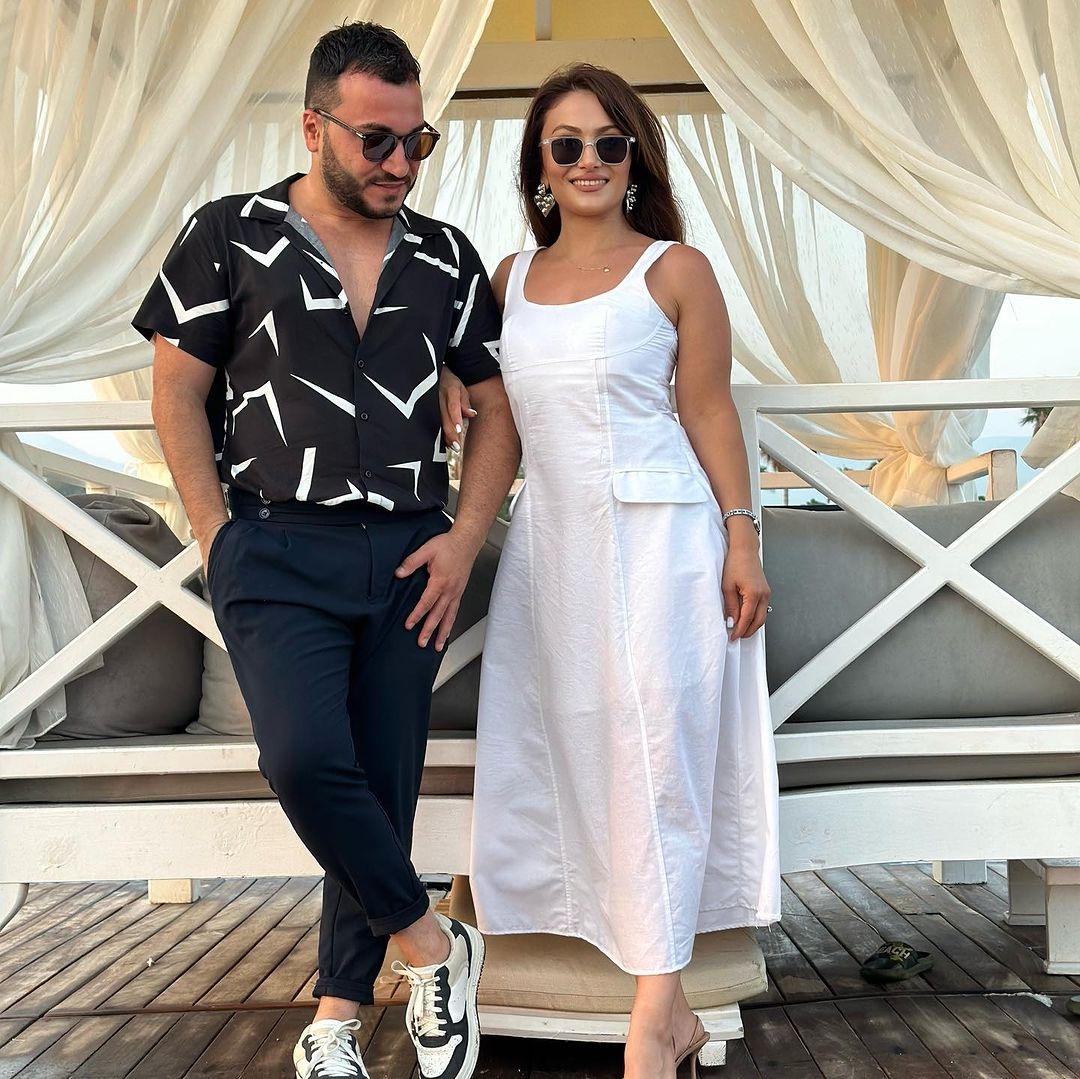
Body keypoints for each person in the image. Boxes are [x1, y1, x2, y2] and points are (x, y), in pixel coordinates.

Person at [132, 22, 519, 1079]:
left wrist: (464, 537)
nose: (400, 163)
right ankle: (435, 945)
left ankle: (336, 1021)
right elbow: (176, 389)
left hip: (409, 557)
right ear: (314, 128)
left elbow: (497, 409)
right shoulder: (228, 233)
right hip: (273, 546)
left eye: (416, 141)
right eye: (374, 140)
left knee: (378, 785)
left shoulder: (446, 258)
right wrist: (216, 535)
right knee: (303, 758)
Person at [440, 64, 781, 1079]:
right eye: (567, 145)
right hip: (555, 547)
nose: (588, 160)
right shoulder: (507, 280)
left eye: (608, 142)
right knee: (572, 746)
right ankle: (634, 976)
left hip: (666, 539)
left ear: (634, 158)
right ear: (539, 168)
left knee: (659, 750)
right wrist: (449, 381)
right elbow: (502, 420)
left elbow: (708, 409)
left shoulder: (677, 270)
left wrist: (742, 536)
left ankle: (656, 1010)